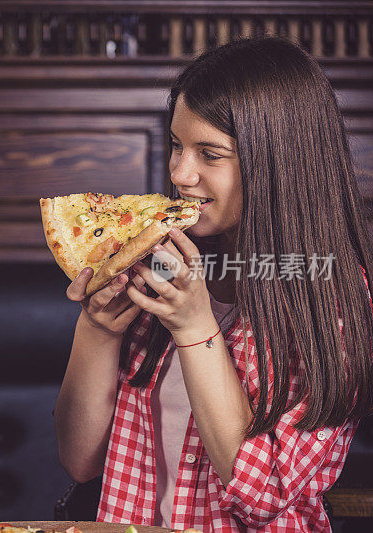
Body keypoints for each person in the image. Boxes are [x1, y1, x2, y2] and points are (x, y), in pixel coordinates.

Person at [54, 37, 373, 532]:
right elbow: (79, 461)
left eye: (210, 153)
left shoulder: (328, 294)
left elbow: (262, 495)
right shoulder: (166, 265)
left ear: (277, 162)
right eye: (178, 146)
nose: (180, 173)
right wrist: (97, 331)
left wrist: (195, 326)